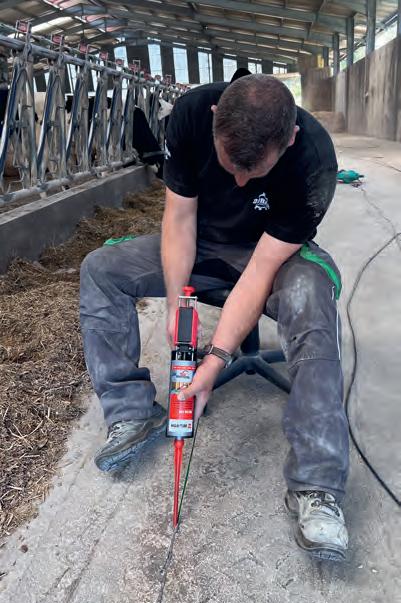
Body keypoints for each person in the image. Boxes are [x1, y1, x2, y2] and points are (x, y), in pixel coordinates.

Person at [80, 73, 349, 562]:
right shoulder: (189, 116)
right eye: (231, 166)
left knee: (311, 297)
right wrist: (177, 303)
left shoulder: (313, 160)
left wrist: (217, 356)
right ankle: (130, 413)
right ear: (213, 121)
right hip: (202, 242)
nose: (240, 182)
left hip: (272, 254)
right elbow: (180, 219)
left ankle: (317, 483)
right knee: (101, 269)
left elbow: (260, 271)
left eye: (255, 173)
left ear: (289, 139)